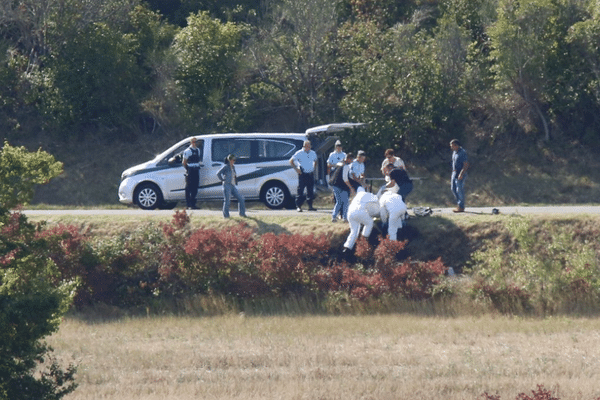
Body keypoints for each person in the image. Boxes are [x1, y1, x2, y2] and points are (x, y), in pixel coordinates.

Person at [343, 186, 380, 252]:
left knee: (354, 231)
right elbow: (376, 198)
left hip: (350, 214)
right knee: (370, 222)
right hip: (360, 212)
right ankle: (364, 238)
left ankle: (347, 247)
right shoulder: (367, 194)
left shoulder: (356, 197)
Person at [290, 140, 318, 212]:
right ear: (304, 146)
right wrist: (296, 169)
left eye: (309, 146)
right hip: (303, 174)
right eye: (307, 146)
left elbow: (315, 161)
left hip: (310, 174)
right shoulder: (299, 153)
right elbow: (291, 161)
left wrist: (313, 168)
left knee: (310, 191)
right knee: (300, 191)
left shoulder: (313, 153)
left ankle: (310, 206)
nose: (308, 147)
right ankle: (298, 206)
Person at [216, 154, 246, 218]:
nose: (233, 161)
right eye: (232, 160)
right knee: (227, 201)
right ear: (229, 160)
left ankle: (242, 214)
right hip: (227, 185)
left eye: (234, 160)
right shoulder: (226, 167)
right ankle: (226, 216)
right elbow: (218, 173)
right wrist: (222, 179)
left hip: (232, 185)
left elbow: (234, 175)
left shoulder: (233, 167)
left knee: (241, 199)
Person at [329, 152, 354, 222]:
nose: (351, 162)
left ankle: (334, 216)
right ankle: (345, 218)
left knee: (339, 202)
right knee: (345, 202)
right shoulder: (346, 166)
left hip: (335, 185)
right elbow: (345, 178)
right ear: (349, 159)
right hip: (342, 186)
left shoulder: (339, 163)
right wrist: (351, 187)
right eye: (351, 160)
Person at [450, 139, 469, 213]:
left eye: (452, 145)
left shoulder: (462, 152)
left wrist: (461, 174)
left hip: (460, 174)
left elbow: (466, 164)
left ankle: (461, 206)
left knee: (459, 190)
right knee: (453, 189)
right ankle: (458, 205)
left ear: (456, 145)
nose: (451, 147)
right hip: (454, 173)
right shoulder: (454, 152)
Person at [182, 137, 201, 209]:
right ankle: (188, 204)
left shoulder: (198, 150)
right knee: (189, 187)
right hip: (190, 170)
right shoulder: (187, 151)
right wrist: (188, 169)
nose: (194, 143)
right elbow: (184, 162)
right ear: (191, 143)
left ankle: (193, 204)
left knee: (195, 187)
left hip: (196, 169)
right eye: (193, 142)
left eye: (195, 142)